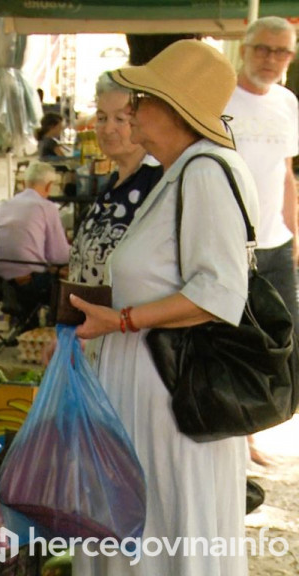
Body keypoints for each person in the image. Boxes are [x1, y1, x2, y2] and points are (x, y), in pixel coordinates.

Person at [69, 40, 258, 575]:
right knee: (151, 523)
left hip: (169, 389)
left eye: (141, 101)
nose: (130, 113)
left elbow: (217, 293)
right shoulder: (182, 172)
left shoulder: (203, 172)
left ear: (173, 109)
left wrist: (121, 320)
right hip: (152, 383)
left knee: (165, 526)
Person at [225, 16, 298, 468]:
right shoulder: (218, 99)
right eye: (263, 49)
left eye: (281, 52)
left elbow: (285, 174)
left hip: (275, 243)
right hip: (231, 244)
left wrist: (294, 233)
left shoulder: (288, 102)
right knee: (235, 339)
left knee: (280, 338)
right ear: (244, 49)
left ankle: (249, 427)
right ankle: (233, 435)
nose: (271, 59)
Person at [67, 73, 163, 285]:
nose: (107, 129)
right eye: (101, 118)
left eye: (120, 119)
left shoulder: (158, 182)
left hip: (124, 316)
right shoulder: (113, 184)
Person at [0, 161, 70, 330]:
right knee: (67, 275)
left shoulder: (3, 205)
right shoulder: (47, 207)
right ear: (49, 186)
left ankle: (23, 323)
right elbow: (60, 256)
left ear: (24, 183)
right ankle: (50, 329)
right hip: (31, 283)